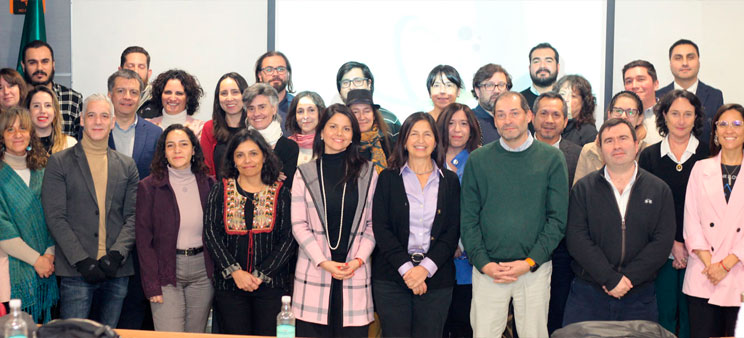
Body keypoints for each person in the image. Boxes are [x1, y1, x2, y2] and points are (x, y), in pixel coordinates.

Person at [460, 91, 568, 338]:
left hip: (533, 269)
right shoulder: (478, 160)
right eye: (501, 115)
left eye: (514, 113)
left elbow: (557, 219)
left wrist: (529, 262)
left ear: (528, 116)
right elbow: (468, 219)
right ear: (494, 121)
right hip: (489, 271)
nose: (507, 120)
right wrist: (483, 263)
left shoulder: (552, 158)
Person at [565, 117, 675, 325]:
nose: (616, 146)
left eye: (623, 138)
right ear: (600, 148)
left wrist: (628, 279)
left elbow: (662, 241)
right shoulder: (583, 189)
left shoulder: (659, 189)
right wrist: (610, 278)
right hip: (588, 294)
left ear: (636, 145)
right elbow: (577, 238)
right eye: (609, 141)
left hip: (639, 295)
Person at [42, 94, 139, 328]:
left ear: (112, 122)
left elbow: (134, 216)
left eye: (104, 116)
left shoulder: (127, 165)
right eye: (92, 115)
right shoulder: (59, 162)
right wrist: (82, 260)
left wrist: (116, 256)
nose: (98, 121)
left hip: (116, 271)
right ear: (82, 120)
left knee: (109, 334)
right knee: (75, 335)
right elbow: (55, 217)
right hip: (77, 272)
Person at [291, 104, 377, 337]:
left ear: (353, 135)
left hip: (355, 273)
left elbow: (372, 224)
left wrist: (358, 260)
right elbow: (299, 225)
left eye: (346, 128)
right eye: (333, 127)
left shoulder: (368, 172)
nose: (339, 133)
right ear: (321, 131)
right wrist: (323, 261)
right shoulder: (304, 173)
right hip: (314, 271)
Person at [372, 112, 460, 338]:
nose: (421, 140)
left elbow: (452, 232)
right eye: (414, 134)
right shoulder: (388, 178)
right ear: (403, 140)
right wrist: (408, 271)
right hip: (392, 277)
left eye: (427, 134)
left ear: (436, 140)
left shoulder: (449, 181)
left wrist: (424, 270)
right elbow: (381, 229)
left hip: (436, 279)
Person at [204, 129, 296, 335]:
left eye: (253, 153)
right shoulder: (220, 190)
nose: (247, 160)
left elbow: (289, 238)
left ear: (264, 156)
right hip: (229, 286)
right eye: (240, 155)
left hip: (272, 287)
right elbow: (211, 233)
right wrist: (235, 272)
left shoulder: (282, 193)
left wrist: (260, 275)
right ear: (233, 161)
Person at [639, 90, 708, 338]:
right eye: (675, 113)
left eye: (688, 114)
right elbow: (645, 209)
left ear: (696, 117)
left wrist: (689, 244)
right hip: (660, 250)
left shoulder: (709, 154)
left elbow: (711, 209)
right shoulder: (648, 156)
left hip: (701, 252)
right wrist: (672, 244)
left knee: (693, 317)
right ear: (664, 116)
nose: (681, 120)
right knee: (663, 316)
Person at [136, 125, 214, 332]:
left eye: (183, 144)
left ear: (194, 150)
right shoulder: (149, 187)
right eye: (170, 146)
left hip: (202, 273)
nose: (177, 150)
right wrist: (152, 285)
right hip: (166, 272)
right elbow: (144, 242)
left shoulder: (209, 184)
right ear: (164, 152)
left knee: (196, 335)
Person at [683, 103, 744, 338]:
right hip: (703, 274)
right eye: (723, 124)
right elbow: (691, 221)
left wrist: (725, 265)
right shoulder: (701, 168)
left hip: (738, 273)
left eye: (737, 124)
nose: (730, 129)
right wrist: (712, 267)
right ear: (715, 131)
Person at [0, 107, 58, 323]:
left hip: (47, 265)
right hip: (8, 272)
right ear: (2, 135)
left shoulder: (45, 169)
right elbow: (2, 227)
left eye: (23, 128)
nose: (17, 135)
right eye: (10, 130)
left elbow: (55, 215)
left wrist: (49, 254)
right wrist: (36, 260)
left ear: (31, 133)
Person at [531, 92, 581, 334]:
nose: (549, 120)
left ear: (565, 121)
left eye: (556, 114)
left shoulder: (579, 155)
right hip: (523, 250)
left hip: (563, 251)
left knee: (557, 316)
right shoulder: (516, 150)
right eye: (543, 113)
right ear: (532, 117)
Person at [436, 103, 480, 338]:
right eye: (451, 123)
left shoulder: (479, 161)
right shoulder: (429, 160)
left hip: (468, 261)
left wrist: (461, 243)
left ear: (472, 129)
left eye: (463, 123)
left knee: (464, 324)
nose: (457, 129)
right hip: (434, 261)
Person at [656, 39, 723, 144]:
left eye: (690, 57)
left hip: (706, 157)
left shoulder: (715, 96)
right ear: (670, 63)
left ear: (699, 61)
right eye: (678, 58)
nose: (685, 63)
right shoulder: (658, 96)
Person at [574, 91, 649, 184]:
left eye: (630, 112)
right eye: (618, 111)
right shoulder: (589, 150)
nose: (623, 116)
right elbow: (578, 192)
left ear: (640, 119)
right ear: (609, 115)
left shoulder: (648, 152)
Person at [21, 40, 82, 138]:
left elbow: (81, 142)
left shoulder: (72, 98)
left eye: (45, 62)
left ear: (53, 64)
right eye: (32, 63)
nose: (39, 68)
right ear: (23, 66)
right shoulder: (17, 99)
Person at [107, 69, 162, 179]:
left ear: (140, 97)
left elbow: (158, 175)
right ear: (110, 95)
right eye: (121, 91)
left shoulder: (155, 133)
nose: (127, 97)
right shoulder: (94, 130)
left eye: (133, 92)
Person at [243, 83, 299, 186]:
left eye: (262, 107)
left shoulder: (290, 148)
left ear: (274, 109)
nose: (256, 113)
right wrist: (272, 175)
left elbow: (285, 185)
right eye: (251, 108)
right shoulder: (238, 144)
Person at [336, 61, 401, 138]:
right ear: (339, 90)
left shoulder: (390, 121)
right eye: (345, 82)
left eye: (358, 81)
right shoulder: (333, 122)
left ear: (369, 84)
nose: (352, 87)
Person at [200, 72, 249, 177]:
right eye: (224, 93)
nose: (229, 98)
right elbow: (207, 170)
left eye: (235, 92)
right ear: (218, 98)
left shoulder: (255, 126)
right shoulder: (209, 128)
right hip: (220, 191)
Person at [145, 69, 205, 138]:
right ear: (160, 95)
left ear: (188, 97)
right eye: (168, 92)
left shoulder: (200, 129)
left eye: (179, 93)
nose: (172, 98)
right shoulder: (147, 126)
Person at [347, 89, 392, 174]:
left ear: (374, 115)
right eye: (355, 112)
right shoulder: (343, 143)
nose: (362, 117)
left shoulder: (386, 142)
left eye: (367, 111)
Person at [24, 85, 77, 154]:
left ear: (55, 111)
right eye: (36, 106)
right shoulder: (21, 145)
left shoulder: (70, 144)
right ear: (28, 111)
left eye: (48, 105)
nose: (42, 111)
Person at [471, 64, 512, 144]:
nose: (496, 91)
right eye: (489, 85)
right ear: (477, 91)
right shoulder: (469, 121)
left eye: (501, 85)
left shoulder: (515, 119)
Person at [624, 60, 662, 144]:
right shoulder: (619, 116)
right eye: (629, 81)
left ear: (656, 84)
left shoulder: (668, 114)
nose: (634, 86)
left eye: (640, 79)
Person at [255, 51, 294, 134]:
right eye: (269, 69)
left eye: (281, 69)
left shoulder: (297, 106)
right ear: (259, 76)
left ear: (288, 73)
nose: (276, 74)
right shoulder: (251, 107)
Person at [553, 75, 598, 146]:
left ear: (584, 101)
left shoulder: (589, 133)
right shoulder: (550, 126)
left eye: (573, 96)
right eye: (562, 94)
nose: (566, 99)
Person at [285, 91, 325, 165]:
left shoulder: (329, 144)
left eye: (311, 110)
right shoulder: (286, 146)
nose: (305, 116)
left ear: (320, 113)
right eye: (300, 111)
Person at [520, 42, 560, 108]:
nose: (542, 66)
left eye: (548, 61)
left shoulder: (567, 99)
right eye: (536, 61)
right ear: (529, 68)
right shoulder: (519, 101)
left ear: (558, 67)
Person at [119, 46, 153, 114]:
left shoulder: (159, 102)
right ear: (120, 71)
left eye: (141, 67)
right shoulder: (109, 103)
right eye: (130, 66)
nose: (136, 71)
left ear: (149, 73)